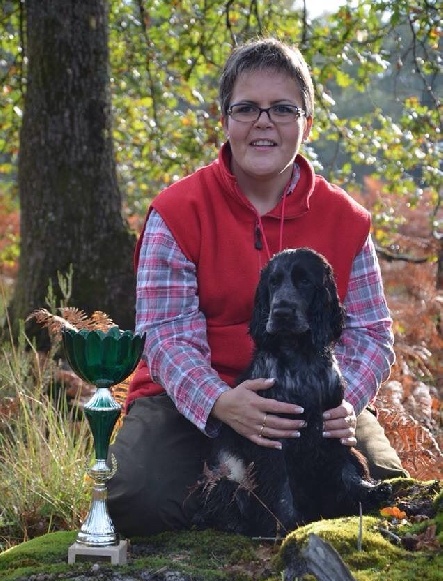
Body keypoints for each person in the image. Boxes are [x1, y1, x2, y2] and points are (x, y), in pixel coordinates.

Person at [107, 37, 407, 538]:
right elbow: (164, 335)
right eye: (246, 108)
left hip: (316, 404)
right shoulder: (178, 212)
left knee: (388, 492)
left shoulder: (347, 220)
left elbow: (372, 334)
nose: (263, 122)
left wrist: (343, 403)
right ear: (224, 120)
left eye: (282, 109)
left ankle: (279, 517)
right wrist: (221, 403)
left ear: (306, 123)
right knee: (137, 498)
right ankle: (240, 507)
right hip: (189, 401)